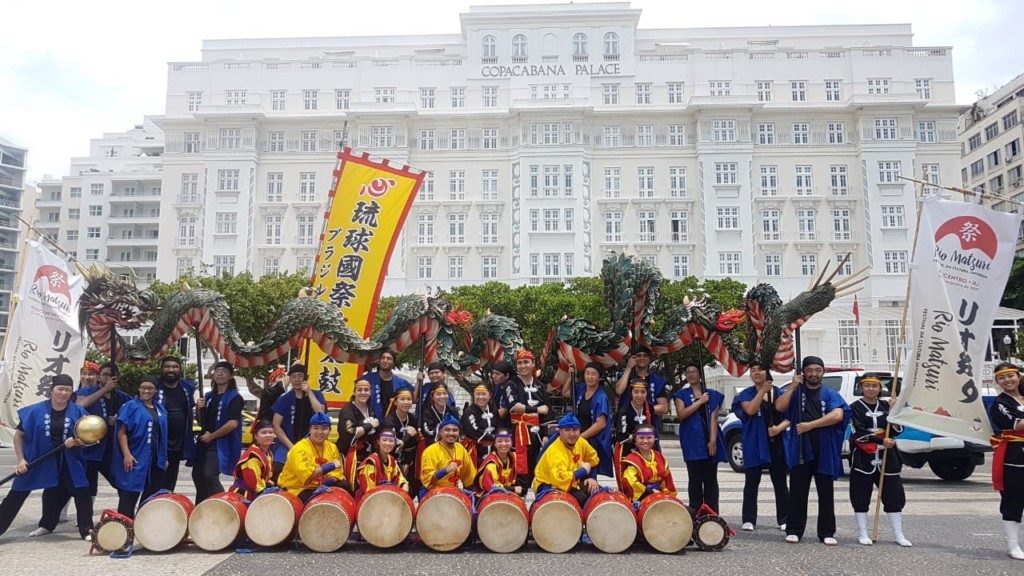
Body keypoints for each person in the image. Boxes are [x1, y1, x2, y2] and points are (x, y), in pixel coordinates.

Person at [0, 375, 94, 541]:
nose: (63, 393)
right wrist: (21, 459)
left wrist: (77, 442)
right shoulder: (33, 411)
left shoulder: (79, 412)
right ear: (51, 390)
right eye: (60, 389)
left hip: (68, 460)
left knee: (81, 491)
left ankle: (86, 529)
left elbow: (88, 438)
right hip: (37, 459)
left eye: (68, 390)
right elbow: (19, 436)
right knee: (17, 494)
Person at [775, 356, 850, 545]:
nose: (814, 374)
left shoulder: (830, 393)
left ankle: (827, 532)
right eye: (810, 370)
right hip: (800, 448)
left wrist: (811, 425)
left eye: (818, 370)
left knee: (826, 492)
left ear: (823, 372)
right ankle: (794, 530)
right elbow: (779, 406)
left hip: (824, 449)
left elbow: (838, 414)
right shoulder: (796, 392)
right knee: (798, 492)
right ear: (804, 372)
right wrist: (792, 386)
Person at [849, 373, 910, 547]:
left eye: (874, 386)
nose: (871, 389)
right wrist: (880, 440)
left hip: (887, 457)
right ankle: (863, 532)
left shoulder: (886, 405)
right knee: (860, 496)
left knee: (894, 496)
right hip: (863, 458)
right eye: (867, 385)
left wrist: (894, 411)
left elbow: (898, 430)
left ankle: (898, 534)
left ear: (879, 388)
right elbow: (858, 433)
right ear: (861, 387)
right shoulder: (855, 407)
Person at [732, 361, 790, 532]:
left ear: (768, 371)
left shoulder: (779, 393)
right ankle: (749, 518)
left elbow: (790, 416)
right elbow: (749, 410)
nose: (756, 373)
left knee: (780, 482)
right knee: (751, 482)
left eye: (760, 369)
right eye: (753, 370)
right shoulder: (746, 394)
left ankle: (784, 518)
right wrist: (762, 391)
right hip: (754, 443)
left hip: (776, 443)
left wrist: (779, 428)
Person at [673, 363, 726, 512]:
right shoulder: (681, 395)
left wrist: (712, 441)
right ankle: (695, 512)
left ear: (700, 374)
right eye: (688, 372)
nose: (691, 374)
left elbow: (714, 419)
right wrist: (699, 402)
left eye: (694, 371)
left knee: (710, 479)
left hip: (709, 440)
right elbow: (681, 414)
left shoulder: (712, 394)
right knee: (695, 479)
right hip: (692, 441)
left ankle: (712, 512)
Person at [112, 377, 168, 518]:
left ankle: (142, 523)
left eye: (150, 388)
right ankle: (124, 526)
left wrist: (164, 457)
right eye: (143, 387)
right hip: (136, 455)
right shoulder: (131, 406)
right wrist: (127, 454)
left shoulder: (159, 407)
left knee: (151, 493)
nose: (146, 391)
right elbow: (121, 432)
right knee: (129, 492)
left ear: (155, 390)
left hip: (155, 458)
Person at [75, 363, 132, 499]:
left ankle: (124, 514)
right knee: (87, 488)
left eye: (112, 375)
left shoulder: (122, 397)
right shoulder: (88, 391)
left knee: (122, 484)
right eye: (105, 374)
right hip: (90, 449)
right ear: (99, 377)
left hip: (112, 449)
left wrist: (119, 420)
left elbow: (131, 417)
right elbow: (80, 405)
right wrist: (104, 389)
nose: (109, 377)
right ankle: (84, 517)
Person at [192, 361, 244, 503]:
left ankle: (225, 504)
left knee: (209, 474)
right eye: (217, 371)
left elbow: (233, 423)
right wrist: (198, 408)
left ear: (231, 376)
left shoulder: (235, 397)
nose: (220, 373)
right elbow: (202, 422)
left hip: (220, 443)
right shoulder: (208, 397)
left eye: (224, 371)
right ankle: (202, 507)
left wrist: (212, 436)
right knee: (197, 475)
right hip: (204, 442)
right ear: (213, 375)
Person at [988, 362, 1024, 560]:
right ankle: (1013, 545)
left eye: (1011, 375)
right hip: (1014, 456)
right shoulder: (1000, 404)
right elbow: (1018, 425)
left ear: (1018, 376)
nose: (1007, 380)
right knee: (1014, 499)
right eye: (1002, 377)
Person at [503, 349, 551, 489]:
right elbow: (513, 406)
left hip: (537, 434)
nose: (523, 366)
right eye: (519, 363)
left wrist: (546, 435)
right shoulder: (511, 384)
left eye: (526, 362)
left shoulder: (540, 386)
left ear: (533, 363)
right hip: (518, 432)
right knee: (519, 469)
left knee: (538, 470)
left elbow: (547, 412)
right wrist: (535, 409)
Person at [271, 364, 326, 479]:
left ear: (306, 377)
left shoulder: (316, 394)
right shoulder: (284, 398)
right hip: (287, 443)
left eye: (300, 376)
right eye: (294, 377)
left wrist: (309, 392)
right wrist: (291, 446)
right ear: (290, 379)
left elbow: (321, 414)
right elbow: (276, 425)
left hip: (311, 443)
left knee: (312, 471)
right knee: (277, 467)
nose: (297, 379)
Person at [532, 414, 600, 508]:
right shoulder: (555, 451)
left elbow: (593, 458)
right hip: (548, 484)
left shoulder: (581, 441)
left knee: (596, 492)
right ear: (560, 431)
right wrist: (583, 471)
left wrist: (592, 478)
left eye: (575, 429)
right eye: (567, 430)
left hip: (572, 481)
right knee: (580, 500)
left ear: (579, 430)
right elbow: (560, 478)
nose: (572, 434)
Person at [278, 412, 347, 501]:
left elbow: (338, 472)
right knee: (316, 501)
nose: (320, 432)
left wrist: (328, 482)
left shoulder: (332, 447)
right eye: (316, 428)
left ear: (330, 430)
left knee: (344, 485)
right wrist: (331, 466)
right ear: (310, 430)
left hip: (319, 485)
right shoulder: (299, 449)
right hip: (297, 488)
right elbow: (308, 475)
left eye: (324, 428)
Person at [152, 356, 196, 492]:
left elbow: (191, 412)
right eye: (167, 366)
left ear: (180, 369)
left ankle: (166, 504)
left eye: (174, 367)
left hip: (178, 443)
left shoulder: (187, 388)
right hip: (158, 442)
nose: (171, 370)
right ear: (162, 369)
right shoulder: (154, 387)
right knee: (155, 479)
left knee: (170, 479)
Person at [562, 362, 612, 478]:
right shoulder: (581, 389)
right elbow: (565, 392)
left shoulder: (601, 396)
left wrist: (580, 437)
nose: (590, 377)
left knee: (588, 473)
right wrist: (571, 376)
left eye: (593, 374)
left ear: (600, 377)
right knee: (574, 468)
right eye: (587, 373)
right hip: (577, 436)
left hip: (590, 440)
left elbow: (601, 423)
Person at [418, 414, 477, 499]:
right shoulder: (430, 451)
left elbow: (469, 476)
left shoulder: (460, 448)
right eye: (447, 430)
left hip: (453, 491)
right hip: (432, 492)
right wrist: (445, 471)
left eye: (455, 430)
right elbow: (428, 480)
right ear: (441, 432)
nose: (451, 433)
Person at [614, 348, 670, 436]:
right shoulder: (626, 376)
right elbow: (619, 390)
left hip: (649, 426)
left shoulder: (657, 381)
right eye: (638, 355)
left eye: (645, 355)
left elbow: (664, 408)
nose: (642, 358)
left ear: (649, 359)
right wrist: (628, 367)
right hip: (626, 426)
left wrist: (643, 410)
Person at [613, 379, 654, 491]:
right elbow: (621, 436)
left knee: (648, 481)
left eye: (643, 392)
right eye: (636, 392)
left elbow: (653, 429)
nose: (639, 395)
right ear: (631, 393)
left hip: (646, 450)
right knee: (629, 484)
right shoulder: (624, 411)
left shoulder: (649, 409)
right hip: (627, 451)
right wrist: (638, 437)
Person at [620, 425, 677, 502]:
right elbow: (631, 483)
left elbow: (667, 480)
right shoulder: (631, 460)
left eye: (649, 437)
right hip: (641, 499)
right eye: (641, 438)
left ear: (654, 439)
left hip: (660, 496)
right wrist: (651, 492)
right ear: (635, 439)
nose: (645, 441)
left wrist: (666, 496)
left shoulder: (659, 457)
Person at [338, 379, 381, 482]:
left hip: (368, 454)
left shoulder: (370, 409)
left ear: (370, 392)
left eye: (366, 390)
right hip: (351, 456)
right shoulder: (347, 410)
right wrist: (370, 425)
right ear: (354, 392)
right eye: (359, 390)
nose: (363, 393)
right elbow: (350, 432)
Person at [383, 388, 421, 496]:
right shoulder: (389, 421)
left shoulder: (413, 419)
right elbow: (391, 447)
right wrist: (408, 436)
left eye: (409, 399)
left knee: (412, 490)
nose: (406, 402)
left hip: (410, 461)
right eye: (402, 399)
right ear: (395, 402)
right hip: (393, 461)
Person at [229, 420, 276, 501]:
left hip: (258, 489)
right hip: (244, 494)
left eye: (271, 432)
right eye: (264, 433)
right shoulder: (252, 456)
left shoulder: (268, 453)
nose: (268, 435)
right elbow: (253, 483)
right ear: (256, 436)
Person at [360, 350, 413, 420]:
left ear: (393, 362)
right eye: (383, 358)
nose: (385, 360)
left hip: (393, 423)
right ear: (379, 361)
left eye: (389, 358)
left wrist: (418, 381)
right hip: (370, 422)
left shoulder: (401, 382)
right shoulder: (367, 379)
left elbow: (413, 397)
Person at [356, 428, 409, 498]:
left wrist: (404, 486)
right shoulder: (371, 462)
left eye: (391, 441)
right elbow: (369, 491)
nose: (388, 443)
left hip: (386, 498)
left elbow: (400, 479)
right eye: (384, 440)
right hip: (369, 501)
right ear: (378, 442)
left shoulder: (392, 460)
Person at [475, 429, 522, 496]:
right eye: (499, 441)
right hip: (490, 495)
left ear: (512, 443)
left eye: (507, 441)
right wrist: (512, 489)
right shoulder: (491, 463)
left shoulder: (514, 457)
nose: (503, 444)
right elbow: (491, 487)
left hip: (508, 493)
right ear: (495, 444)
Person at [461, 383, 498, 464]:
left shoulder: (493, 409)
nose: (481, 397)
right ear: (473, 395)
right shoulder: (469, 412)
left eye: (484, 394)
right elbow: (473, 432)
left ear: (489, 395)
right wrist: (494, 437)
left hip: (493, 449)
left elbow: (497, 426)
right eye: (477, 394)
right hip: (475, 450)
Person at [420, 381, 459, 447]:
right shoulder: (427, 412)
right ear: (432, 396)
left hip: (451, 446)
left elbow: (459, 428)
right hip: (433, 447)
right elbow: (428, 432)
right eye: (438, 394)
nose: (442, 397)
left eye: (445, 393)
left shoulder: (453, 410)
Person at [248, 365, 286, 429]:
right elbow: (280, 387)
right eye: (280, 377)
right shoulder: (268, 390)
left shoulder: (284, 393)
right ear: (272, 380)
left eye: (283, 377)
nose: (282, 379)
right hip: (268, 424)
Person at [491, 361, 515, 428]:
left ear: (507, 375)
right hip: (498, 425)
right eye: (493, 373)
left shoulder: (511, 388)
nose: (494, 376)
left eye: (497, 374)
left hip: (510, 427)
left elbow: (503, 412)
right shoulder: (497, 386)